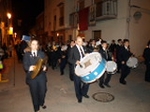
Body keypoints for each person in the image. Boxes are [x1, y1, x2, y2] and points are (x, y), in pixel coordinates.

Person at [23, 39, 48, 112]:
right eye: (33, 44)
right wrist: (29, 68)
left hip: (41, 76)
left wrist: (45, 67)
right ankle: (36, 108)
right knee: (34, 92)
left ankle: (41, 102)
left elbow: (45, 63)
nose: (34, 46)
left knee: (43, 90)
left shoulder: (41, 53)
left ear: (37, 46)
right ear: (30, 45)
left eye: (36, 44)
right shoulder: (27, 55)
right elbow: (25, 65)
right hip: (32, 77)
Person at [68, 36, 90, 103]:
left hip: (84, 67)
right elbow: (69, 59)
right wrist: (75, 61)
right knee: (77, 84)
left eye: (82, 41)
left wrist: (86, 55)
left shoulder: (83, 47)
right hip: (77, 69)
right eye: (79, 41)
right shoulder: (72, 49)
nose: (81, 42)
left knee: (87, 81)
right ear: (76, 42)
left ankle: (83, 92)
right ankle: (79, 97)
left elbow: (84, 56)